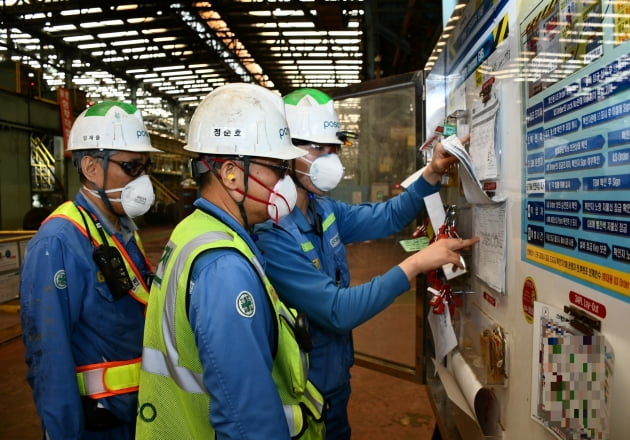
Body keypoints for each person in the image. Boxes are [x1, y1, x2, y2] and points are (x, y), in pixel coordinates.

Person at [254, 88, 479, 439]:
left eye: (334, 148)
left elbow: (386, 217)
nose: (330, 159)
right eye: (318, 148)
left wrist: (432, 172)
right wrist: (416, 263)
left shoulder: (322, 209)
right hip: (299, 394)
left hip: (334, 380)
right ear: (286, 154)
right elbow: (337, 310)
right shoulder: (271, 233)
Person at [136, 83, 326, 439]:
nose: (285, 181)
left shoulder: (195, 229)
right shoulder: (223, 269)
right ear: (231, 175)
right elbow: (247, 421)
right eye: (277, 168)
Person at [20, 100, 162, 439]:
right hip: (98, 424)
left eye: (146, 166)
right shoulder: (59, 242)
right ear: (91, 168)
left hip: (139, 415)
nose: (142, 180)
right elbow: (47, 357)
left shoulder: (124, 232)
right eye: (131, 167)